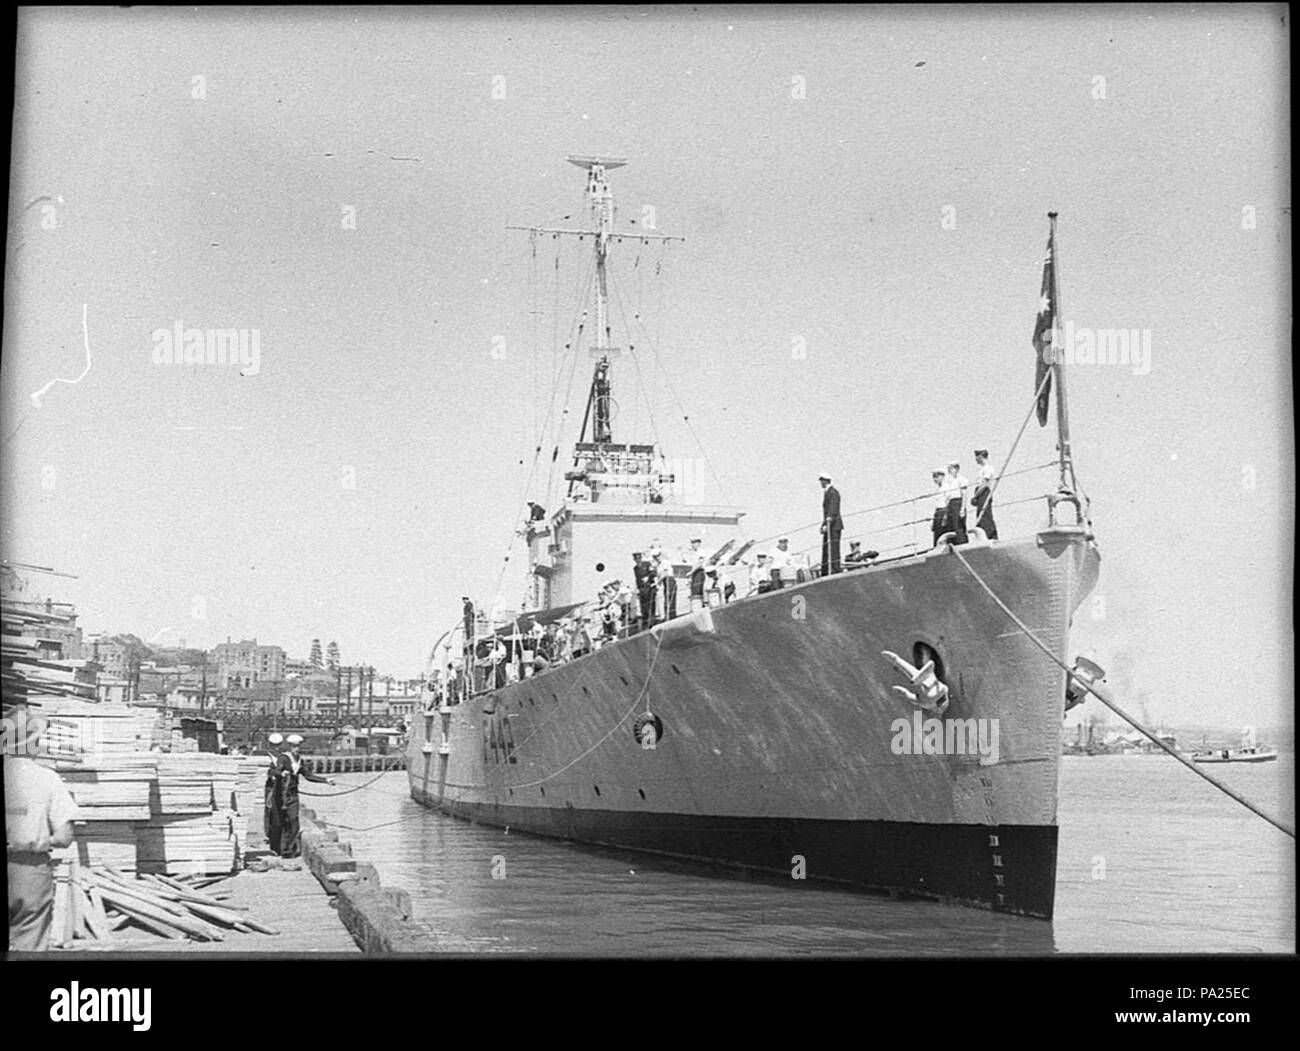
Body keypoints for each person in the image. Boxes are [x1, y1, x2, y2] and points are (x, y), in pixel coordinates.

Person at [5, 712, 78, 951]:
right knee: (30, 940)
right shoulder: (48, 779)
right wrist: (36, 839)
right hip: (29, 871)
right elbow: (65, 837)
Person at [276, 734, 334, 860]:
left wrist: (326, 780)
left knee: (293, 821)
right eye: (294, 747)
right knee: (286, 821)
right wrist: (282, 773)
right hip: (282, 794)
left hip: (293, 793)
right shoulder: (284, 758)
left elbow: (308, 776)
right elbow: (275, 771)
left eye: (298, 746)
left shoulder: (299, 760)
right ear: (290, 746)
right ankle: (285, 850)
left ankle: (289, 850)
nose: (297, 749)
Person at [263, 731, 286, 855]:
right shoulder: (270, 757)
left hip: (278, 788)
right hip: (271, 788)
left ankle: (275, 840)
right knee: (273, 814)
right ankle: (274, 841)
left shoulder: (278, 757)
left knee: (275, 815)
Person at [819, 472, 843, 576]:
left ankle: (834, 569)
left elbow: (833, 508)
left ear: (825, 481)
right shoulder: (827, 492)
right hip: (829, 525)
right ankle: (826, 570)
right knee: (827, 547)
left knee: (833, 547)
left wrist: (829, 520)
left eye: (821, 481)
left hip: (834, 525)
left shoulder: (833, 492)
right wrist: (823, 525)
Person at [972, 449, 998, 540]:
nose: (975, 459)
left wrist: (975, 496)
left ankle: (991, 536)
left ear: (981, 456)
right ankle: (984, 536)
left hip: (984, 493)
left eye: (977, 456)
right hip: (980, 493)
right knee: (981, 515)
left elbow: (984, 484)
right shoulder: (982, 469)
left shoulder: (988, 468)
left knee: (985, 515)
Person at [944, 461, 969, 545]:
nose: (949, 471)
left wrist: (962, 508)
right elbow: (948, 497)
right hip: (951, 504)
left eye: (951, 468)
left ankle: (962, 543)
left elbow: (964, 494)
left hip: (957, 503)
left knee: (958, 526)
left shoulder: (961, 479)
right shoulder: (949, 482)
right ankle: (954, 544)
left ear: (956, 469)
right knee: (951, 526)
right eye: (948, 469)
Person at [633, 550, 656, 631]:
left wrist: (648, 578)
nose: (637, 560)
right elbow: (637, 579)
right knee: (644, 607)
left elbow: (653, 573)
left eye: (639, 558)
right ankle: (646, 624)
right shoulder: (635, 568)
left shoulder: (647, 564)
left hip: (649, 587)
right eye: (636, 559)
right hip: (642, 589)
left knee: (651, 606)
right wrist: (638, 589)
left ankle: (652, 623)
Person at [930, 468, 948, 547]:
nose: (935, 479)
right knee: (936, 535)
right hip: (937, 512)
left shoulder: (946, 487)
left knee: (942, 534)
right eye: (934, 477)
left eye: (936, 477)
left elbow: (948, 501)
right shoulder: (938, 489)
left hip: (943, 511)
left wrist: (945, 515)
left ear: (942, 476)